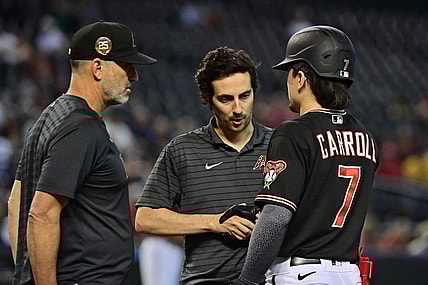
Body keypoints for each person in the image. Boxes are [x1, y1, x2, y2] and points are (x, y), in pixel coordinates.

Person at [7, 20, 157, 285]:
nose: (133, 75)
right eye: (126, 65)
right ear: (98, 68)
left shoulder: (51, 116)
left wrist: (26, 275)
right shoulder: (80, 127)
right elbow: (41, 213)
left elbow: (17, 202)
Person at [235, 25, 379, 285]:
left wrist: (247, 280)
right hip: (349, 274)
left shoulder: (294, 133)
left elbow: (276, 219)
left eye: (289, 73)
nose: (288, 81)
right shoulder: (366, 136)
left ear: (301, 77)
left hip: (302, 273)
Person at [135, 46, 273, 284]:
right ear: (207, 99)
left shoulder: (280, 146)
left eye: (245, 96)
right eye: (226, 99)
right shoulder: (182, 150)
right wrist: (214, 222)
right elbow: (145, 218)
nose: (238, 109)